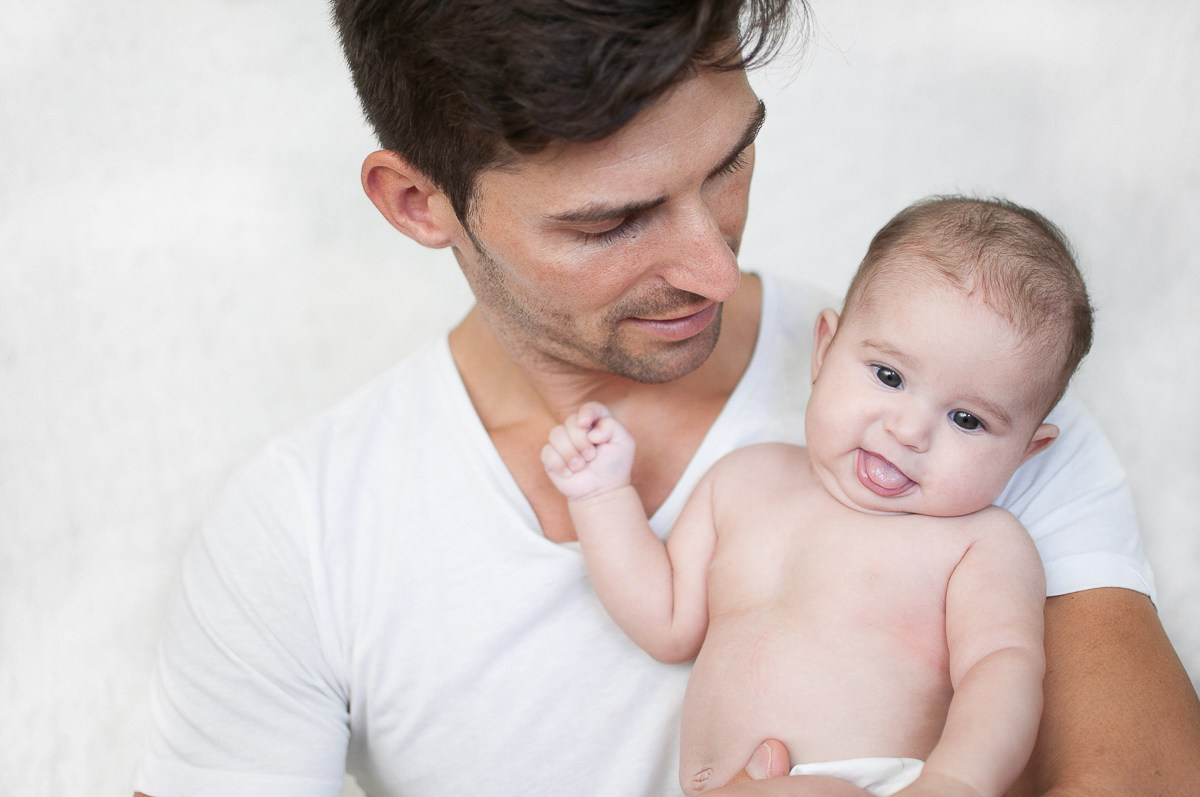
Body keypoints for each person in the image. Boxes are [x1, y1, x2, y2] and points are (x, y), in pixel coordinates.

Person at [134, 2, 1200, 796]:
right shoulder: (303, 535)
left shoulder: (987, 413)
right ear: (419, 201)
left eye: (731, 161)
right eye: (614, 221)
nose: (713, 266)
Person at [541, 195, 1081, 796]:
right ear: (825, 350)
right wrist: (601, 498)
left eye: (967, 420)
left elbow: (1001, 667)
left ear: (1028, 451)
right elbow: (666, 623)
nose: (909, 431)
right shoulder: (743, 482)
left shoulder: (977, 542)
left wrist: (957, 780)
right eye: (889, 376)